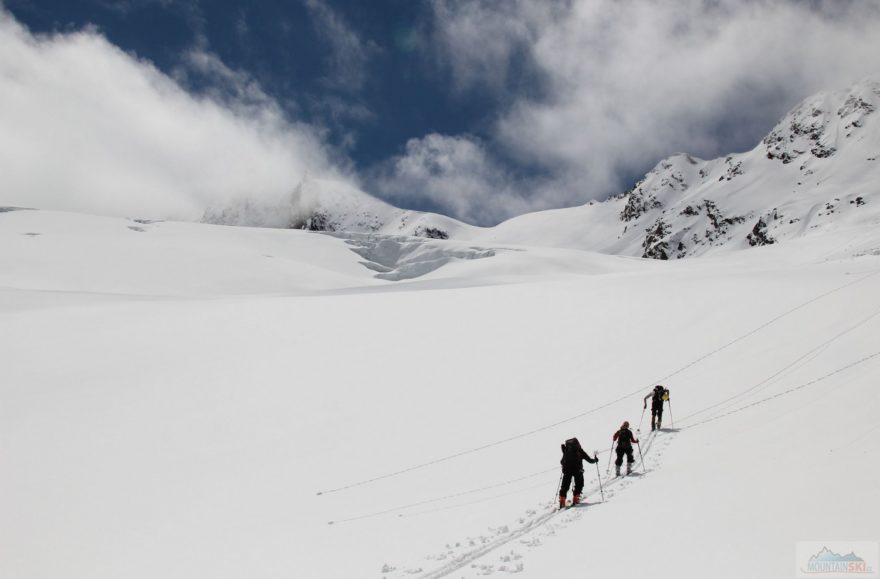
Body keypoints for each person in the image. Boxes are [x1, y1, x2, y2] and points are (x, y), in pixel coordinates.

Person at [558, 437, 599, 508]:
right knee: (579, 484)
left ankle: (562, 500)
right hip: (577, 470)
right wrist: (595, 460)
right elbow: (590, 460)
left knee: (565, 485)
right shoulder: (580, 451)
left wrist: (564, 464)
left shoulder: (566, 451)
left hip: (567, 470)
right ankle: (576, 499)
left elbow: (561, 461)